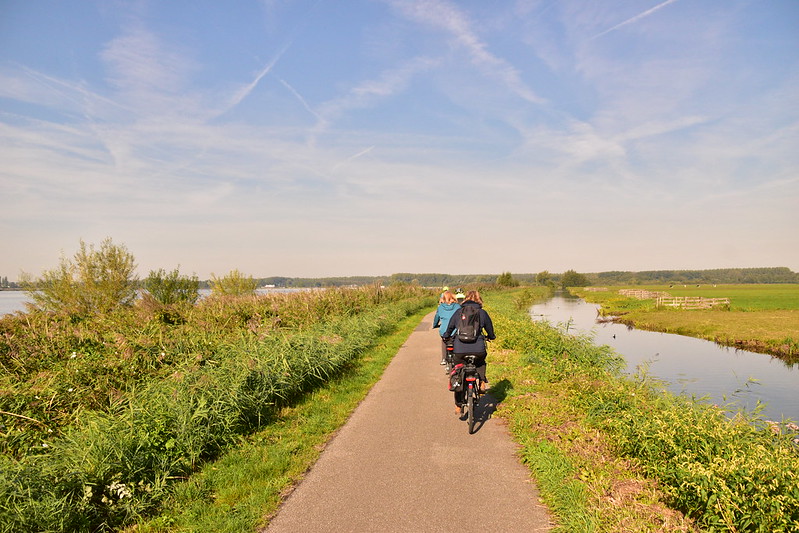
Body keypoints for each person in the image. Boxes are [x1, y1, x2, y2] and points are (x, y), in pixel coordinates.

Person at [443, 290, 495, 415]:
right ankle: (482, 381)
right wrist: (491, 337)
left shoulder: (458, 312)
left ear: (465, 299)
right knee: (481, 361)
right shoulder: (482, 313)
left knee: (458, 373)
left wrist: (446, 336)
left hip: (460, 349)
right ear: (479, 300)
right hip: (478, 349)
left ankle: (458, 405)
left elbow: (450, 328)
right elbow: (490, 329)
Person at [432, 291, 461, 365]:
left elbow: (437, 317)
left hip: (444, 330)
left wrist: (434, 325)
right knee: (456, 341)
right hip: (455, 330)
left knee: (444, 340)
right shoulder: (458, 306)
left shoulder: (441, 307)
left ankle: (444, 359)